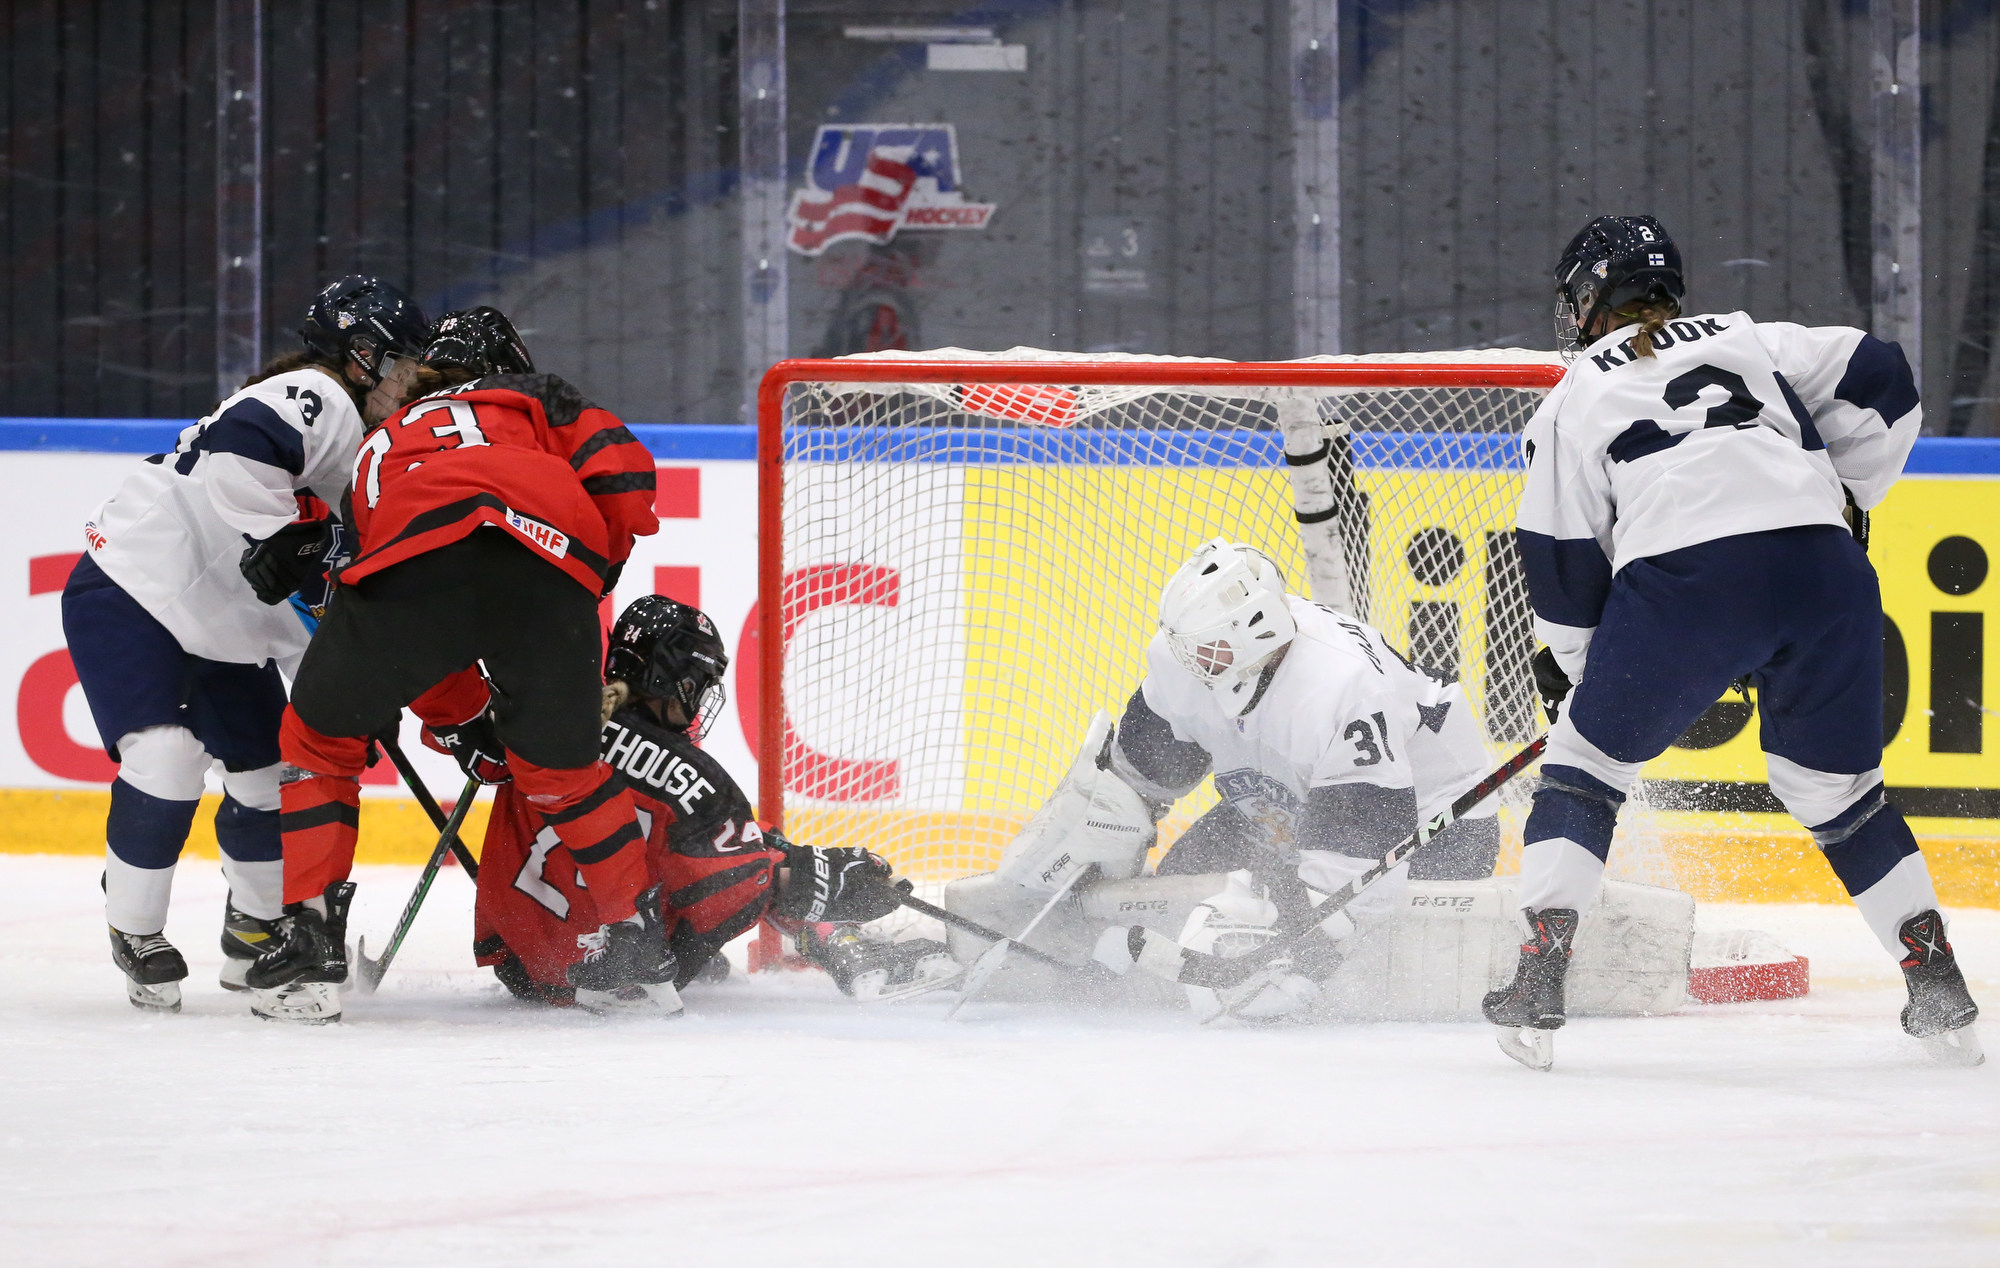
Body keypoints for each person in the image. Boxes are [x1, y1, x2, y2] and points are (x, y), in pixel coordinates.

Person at [1487, 214, 1982, 1068]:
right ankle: (1936, 981)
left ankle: (1539, 979)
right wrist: (1845, 498)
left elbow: (1562, 559)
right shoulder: (1757, 339)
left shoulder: (1573, 397)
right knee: (1839, 794)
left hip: (1686, 581)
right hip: (1827, 574)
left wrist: (1577, 671)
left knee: (1584, 772)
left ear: (1592, 299)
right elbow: (1885, 375)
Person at [246, 307, 667, 1022]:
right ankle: (637, 958)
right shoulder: (536, 394)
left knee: (318, 743)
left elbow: (389, 590)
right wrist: (594, 572)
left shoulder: (381, 442)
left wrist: (463, 715)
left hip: (419, 557)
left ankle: (310, 948)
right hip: (550, 570)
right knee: (564, 774)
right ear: (509, 361)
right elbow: (625, 474)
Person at [61, 276, 428, 1012]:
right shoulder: (319, 397)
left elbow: (316, 594)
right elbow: (239, 447)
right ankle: (135, 929)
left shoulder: (362, 457)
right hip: (138, 586)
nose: (411, 378)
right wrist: (282, 534)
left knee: (273, 776)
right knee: (165, 758)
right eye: (403, 361)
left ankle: (257, 933)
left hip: (229, 630)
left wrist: (354, 682)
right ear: (361, 356)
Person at [1012, 537, 1502, 1020]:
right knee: (1175, 899)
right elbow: (1138, 781)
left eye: (1205, 650)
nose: (1187, 662)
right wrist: (1088, 848)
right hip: (1289, 799)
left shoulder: (1342, 687)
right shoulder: (1184, 659)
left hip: (1433, 822)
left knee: (1334, 936)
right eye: (1186, 648)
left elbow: (1360, 862)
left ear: (1255, 634)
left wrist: (1307, 946)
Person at [473, 595, 955, 1011]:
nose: (700, 700)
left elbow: (474, 752)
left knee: (736, 844)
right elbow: (737, 883)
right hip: (615, 972)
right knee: (760, 858)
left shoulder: (546, 723)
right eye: (697, 685)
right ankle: (839, 942)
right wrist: (816, 874)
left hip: (521, 964)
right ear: (673, 680)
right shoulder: (689, 774)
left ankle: (823, 926)